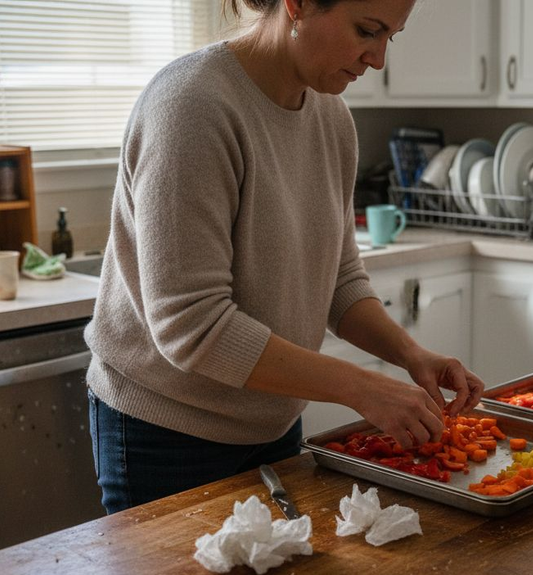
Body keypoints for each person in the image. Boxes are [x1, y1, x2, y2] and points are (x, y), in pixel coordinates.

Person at [84, 0, 484, 515]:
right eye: (368, 30)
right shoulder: (192, 106)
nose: (379, 59)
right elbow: (191, 325)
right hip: (166, 433)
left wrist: (410, 355)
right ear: (296, 5)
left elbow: (339, 281)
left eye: (392, 37)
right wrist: (362, 388)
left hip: (272, 420)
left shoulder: (331, 117)